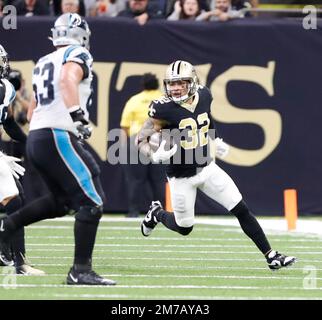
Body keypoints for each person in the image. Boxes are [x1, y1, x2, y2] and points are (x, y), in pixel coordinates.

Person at [136, 60, 297, 271]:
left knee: (241, 209)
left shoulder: (204, 95)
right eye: (172, 83)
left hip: (207, 167)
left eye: (181, 83)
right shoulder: (162, 108)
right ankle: (157, 213)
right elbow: (141, 140)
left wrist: (215, 138)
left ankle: (271, 256)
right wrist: (155, 155)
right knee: (184, 228)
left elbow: (206, 119)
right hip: (180, 176)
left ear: (192, 82)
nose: (175, 88)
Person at [0, 13, 116, 285]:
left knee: (63, 202)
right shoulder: (76, 54)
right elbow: (67, 79)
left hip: (39, 136)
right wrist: (76, 115)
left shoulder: (43, 61)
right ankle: (80, 270)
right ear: (80, 34)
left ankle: (7, 227)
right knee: (92, 200)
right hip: (57, 134)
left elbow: (31, 113)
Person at [0, 44, 45, 275]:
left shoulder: (6, 88)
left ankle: (7, 252)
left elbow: (7, 122)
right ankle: (19, 263)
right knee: (15, 201)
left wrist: (29, 143)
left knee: (16, 199)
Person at [120, 73, 166, 218]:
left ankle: (134, 211)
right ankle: (160, 212)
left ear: (143, 85)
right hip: (159, 140)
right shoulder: (164, 100)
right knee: (158, 180)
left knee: (135, 180)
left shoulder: (134, 100)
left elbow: (125, 127)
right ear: (158, 85)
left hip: (137, 141)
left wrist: (122, 149)